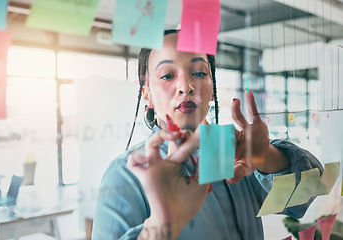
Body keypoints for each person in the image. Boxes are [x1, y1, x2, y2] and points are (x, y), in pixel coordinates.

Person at [92, 29, 322, 239]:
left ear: (212, 89)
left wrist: (267, 157)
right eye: (167, 76)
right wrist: (163, 222)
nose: (186, 86)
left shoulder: (235, 154)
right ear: (147, 95)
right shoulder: (124, 174)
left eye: (199, 73)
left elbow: (305, 197)